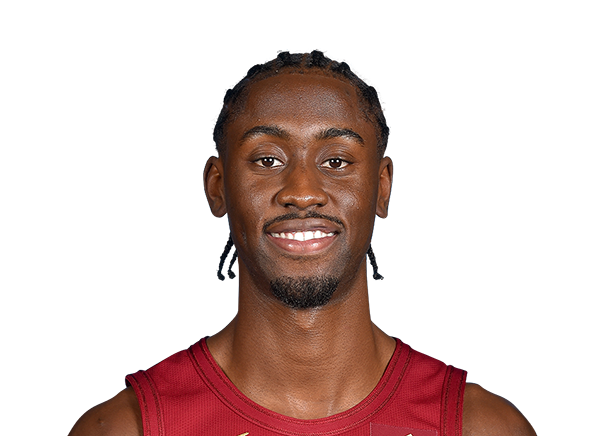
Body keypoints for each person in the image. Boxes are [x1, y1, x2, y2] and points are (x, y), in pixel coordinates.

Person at [72, 48, 536, 435]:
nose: (302, 191)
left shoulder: (481, 427)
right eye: (267, 160)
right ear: (218, 187)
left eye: (336, 161)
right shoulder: (129, 428)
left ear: (382, 188)